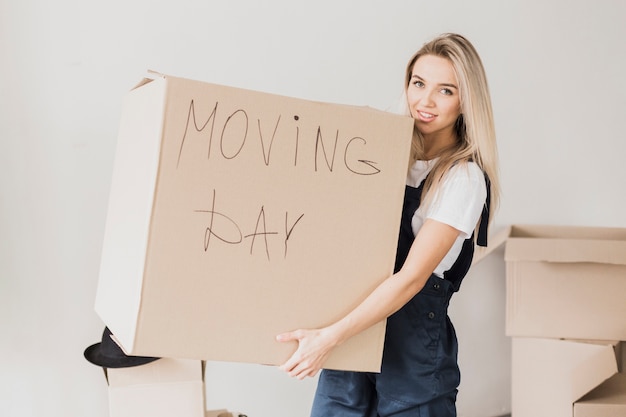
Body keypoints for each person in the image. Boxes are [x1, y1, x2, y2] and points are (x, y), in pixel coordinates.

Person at [276, 32, 500, 417]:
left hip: (410, 361)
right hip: (351, 347)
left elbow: (412, 278)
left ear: (466, 101)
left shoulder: (462, 179)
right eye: (418, 83)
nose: (425, 101)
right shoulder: (378, 159)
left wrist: (328, 338)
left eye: (445, 90)